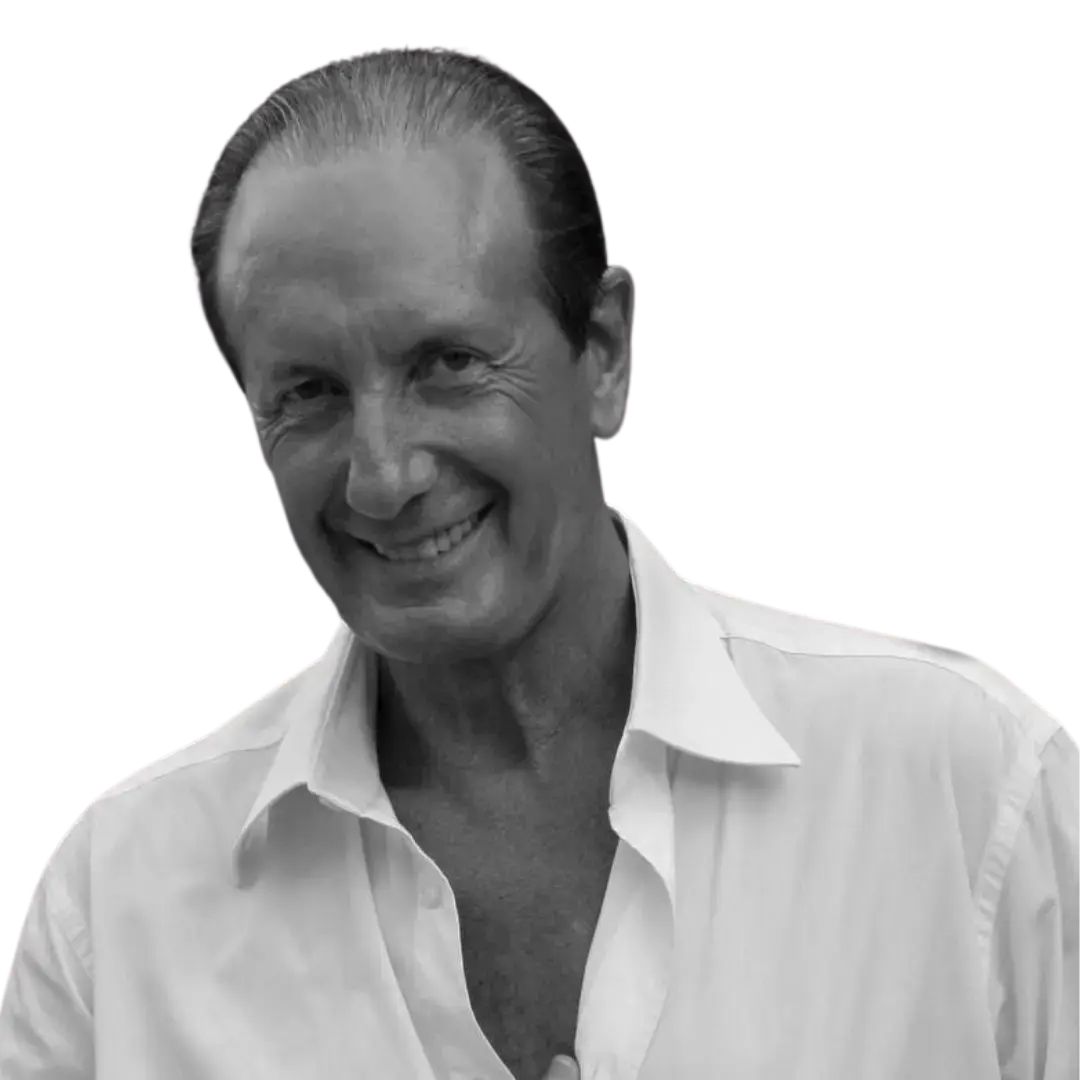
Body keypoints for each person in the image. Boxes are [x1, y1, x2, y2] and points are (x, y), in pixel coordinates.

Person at [1, 41, 1076, 1080]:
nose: (383, 477)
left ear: (605, 352)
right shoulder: (116, 911)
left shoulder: (974, 793)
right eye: (309, 392)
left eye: (448, 363)